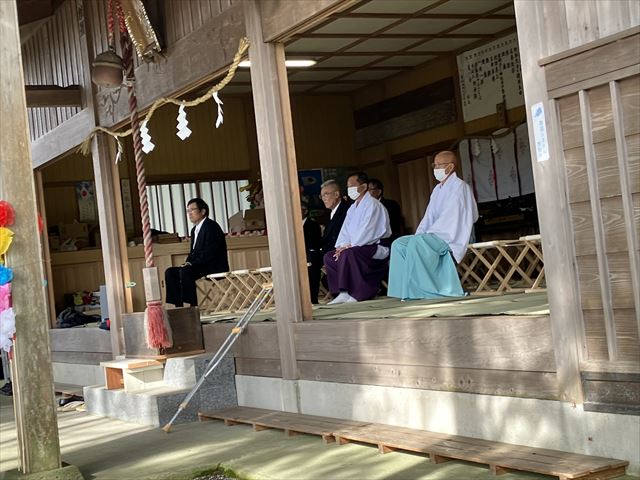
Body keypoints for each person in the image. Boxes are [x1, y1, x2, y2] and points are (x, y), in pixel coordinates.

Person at [388, 151, 478, 300]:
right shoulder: (437, 189)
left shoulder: (460, 187)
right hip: (435, 234)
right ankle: (405, 290)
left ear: (450, 167)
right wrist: (420, 233)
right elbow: (428, 217)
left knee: (418, 242)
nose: (435, 168)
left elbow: (452, 219)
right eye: (434, 165)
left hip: (453, 235)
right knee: (399, 244)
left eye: (438, 165)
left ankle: (428, 291)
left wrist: (428, 235)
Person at [324, 172, 391, 304]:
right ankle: (342, 292)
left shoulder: (373, 205)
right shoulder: (352, 208)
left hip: (375, 246)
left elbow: (368, 231)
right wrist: (341, 246)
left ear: (364, 186)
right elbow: (345, 231)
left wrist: (349, 246)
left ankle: (359, 292)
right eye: (348, 186)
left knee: (348, 253)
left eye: (352, 186)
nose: (349, 189)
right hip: (355, 247)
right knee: (329, 257)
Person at [165, 198, 229, 307]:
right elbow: (193, 252)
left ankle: (192, 305)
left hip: (213, 265)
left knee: (186, 271)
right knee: (170, 272)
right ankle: (178, 306)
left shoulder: (211, 226)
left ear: (203, 211)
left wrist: (191, 264)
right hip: (199, 265)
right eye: (188, 211)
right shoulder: (194, 230)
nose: (189, 213)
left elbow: (210, 252)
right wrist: (188, 262)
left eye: (192, 210)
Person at [308, 180, 351, 304]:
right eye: (321, 196)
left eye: (326, 194)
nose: (323, 198)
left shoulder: (345, 210)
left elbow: (339, 236)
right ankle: (310, 298)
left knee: (313, 260)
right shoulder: (332, 212)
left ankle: (314, 298)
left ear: (336, 194)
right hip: (330, 248)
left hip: (342, 248)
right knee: (309, 257)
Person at [301, 202, 322, 304]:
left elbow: (314, 243)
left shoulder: (313, 224)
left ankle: (313, 299)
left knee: (312, 269)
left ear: (305, 211)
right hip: (299, 254)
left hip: (311, 253)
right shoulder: (293, 225)